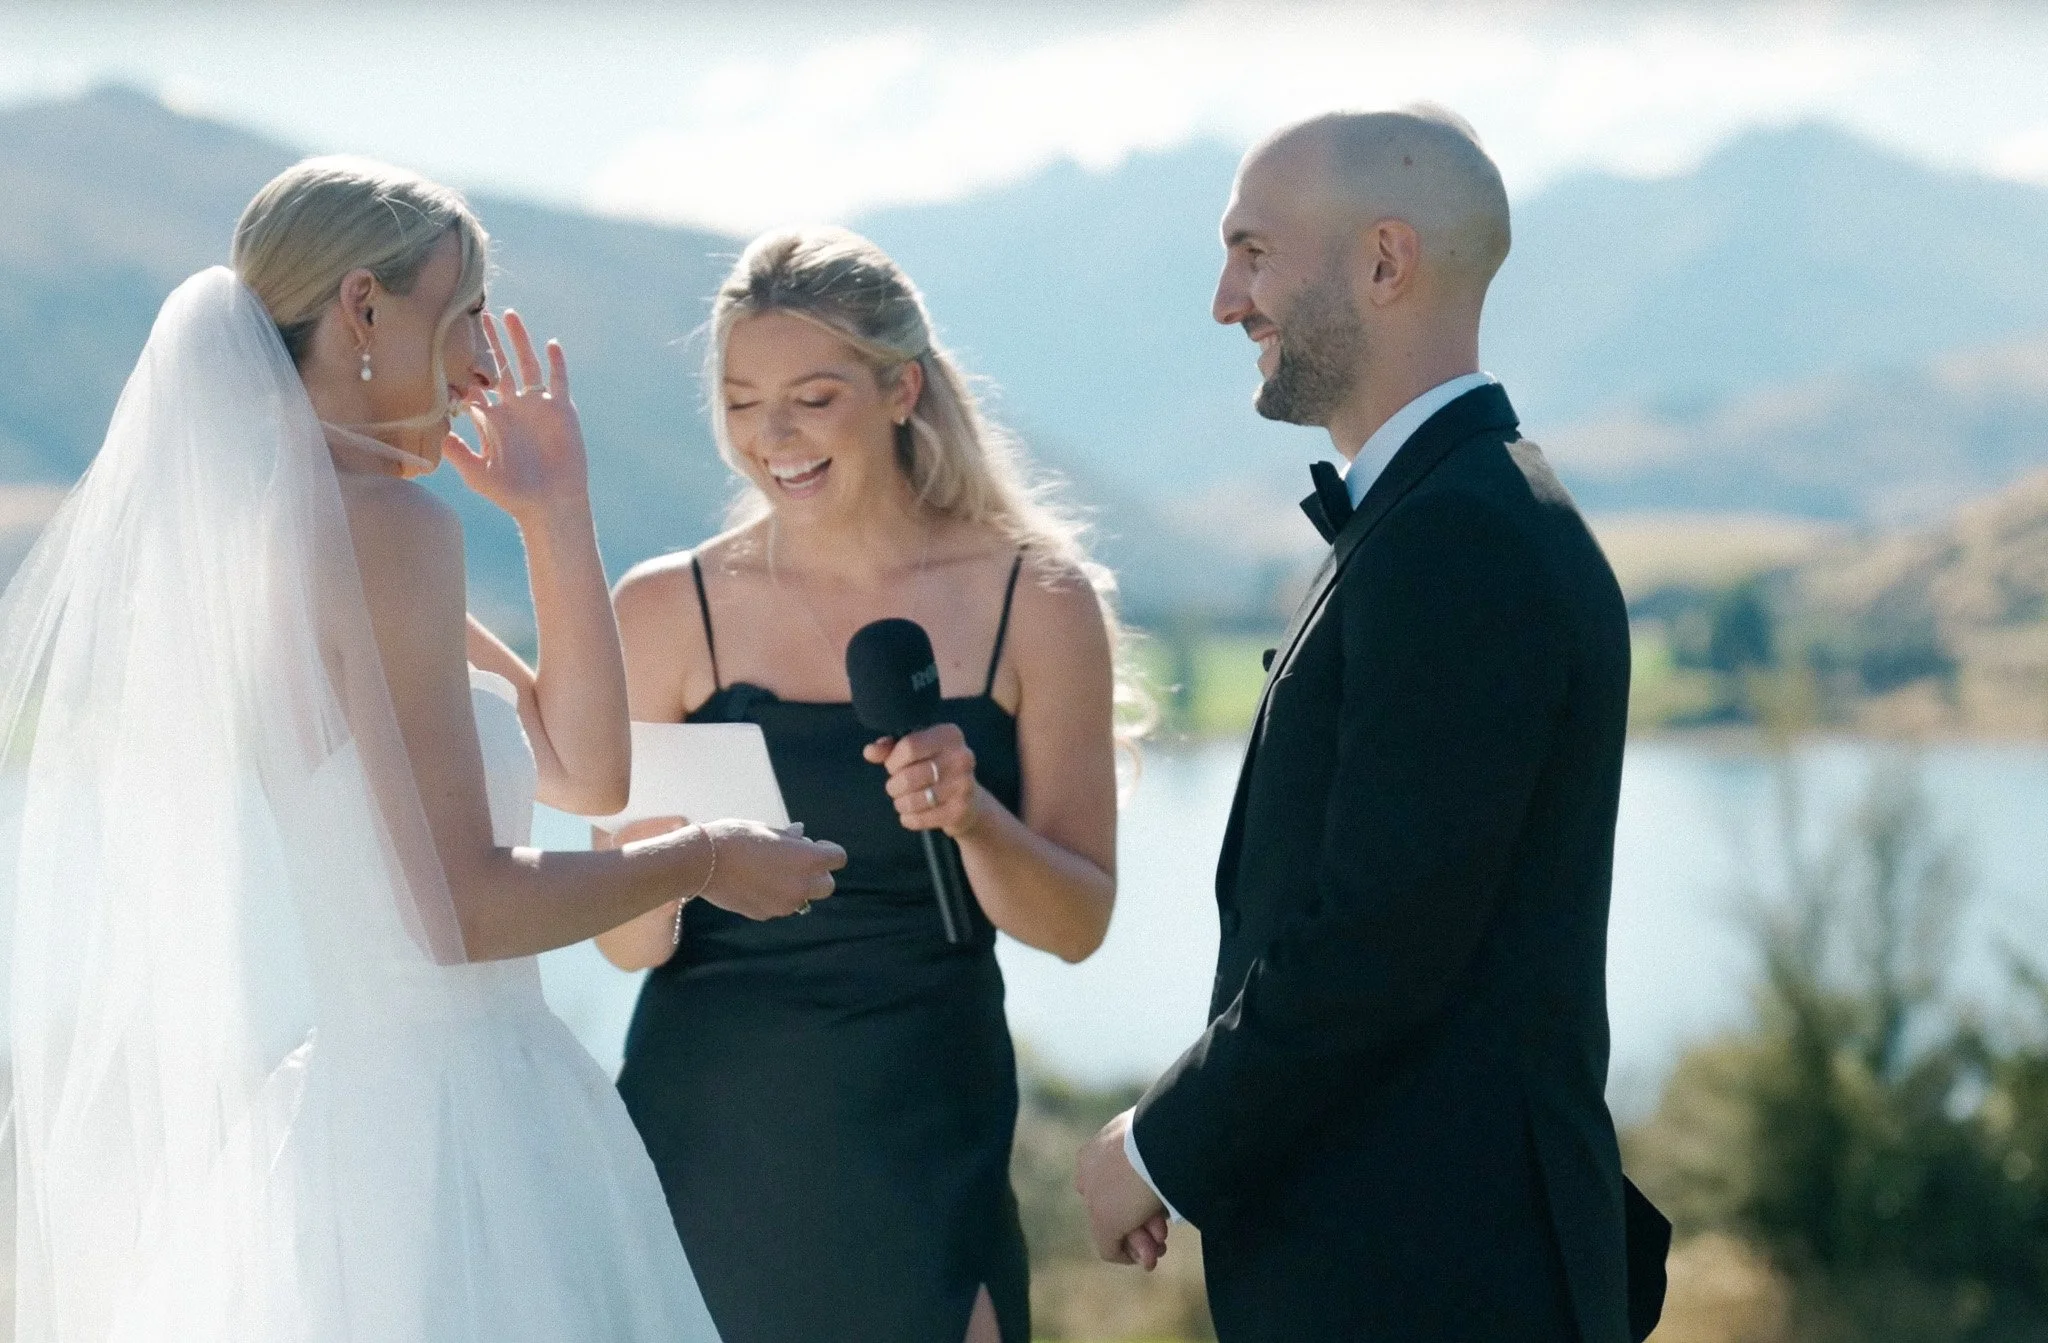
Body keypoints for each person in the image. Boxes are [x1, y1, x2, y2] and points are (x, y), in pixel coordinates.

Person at [0, 157, 842, 1341]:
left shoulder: (293, 535)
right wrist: (705, 859)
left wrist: (555, 511)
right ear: (362, 310)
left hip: (361, 1129)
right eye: (464, 318)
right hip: (459, 1136)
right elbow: (462, 908)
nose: (483, 364)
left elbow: (585, 769)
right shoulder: (386, 533)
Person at [1073, 108, 1668, 1341]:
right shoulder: (1451, 511)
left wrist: (1159, 1144)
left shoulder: (1456, 537)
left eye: (1251, 251)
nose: (1224, 301)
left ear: (1383, 261)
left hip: (1435, 1281)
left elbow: (1380, 936)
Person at [594, 226, 1129, 1343]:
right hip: (711, 1131)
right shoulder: (663, 610)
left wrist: (973, 816)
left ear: (901, 389)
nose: (771, 437)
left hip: (924, 1128)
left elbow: (1075, 923)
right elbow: (628, 944)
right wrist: (655, 851)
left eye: (811, 396)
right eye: (741, 401)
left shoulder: (1037, 599)